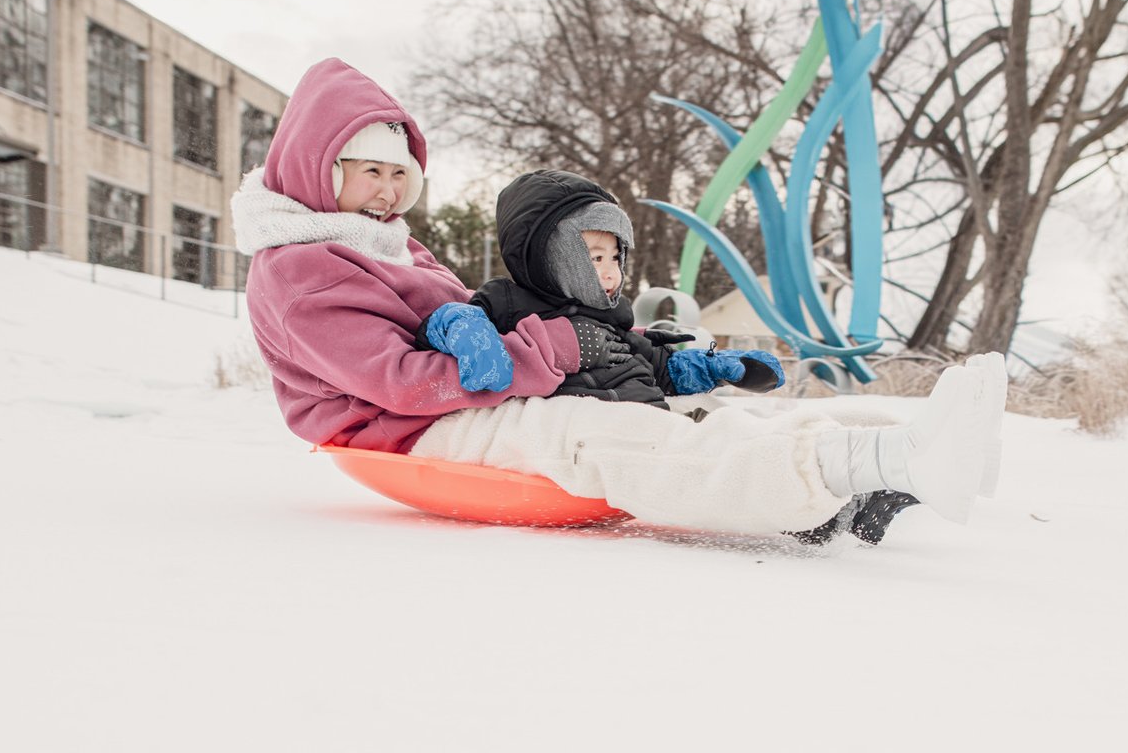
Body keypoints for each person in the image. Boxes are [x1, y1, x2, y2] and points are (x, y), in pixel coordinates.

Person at [232, 57, 1007, 545]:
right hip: (412, 432)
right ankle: (889, 457)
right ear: (318, 166)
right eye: (371, 171)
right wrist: (552, 352)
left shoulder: (385, 244)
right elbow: (404, 381)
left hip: (461, 409)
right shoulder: (299, 270)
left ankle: (894, 450)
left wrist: (555, 344)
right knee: (613, 437)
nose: (390, 191)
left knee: (685, 418)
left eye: (403, 175)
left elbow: (465, 325)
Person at [418, 168, 785, 415]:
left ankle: (807, 479)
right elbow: (431, 337)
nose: (611, 271)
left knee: (721, 427)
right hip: (575, 431)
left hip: (644, 421)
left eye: (616, 256)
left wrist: (711, 368)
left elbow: (659, 370)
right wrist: (461, 326)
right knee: (689, 448)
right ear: (551, 257)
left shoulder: (613, 316)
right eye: (595, 257)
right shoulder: (509, 301)